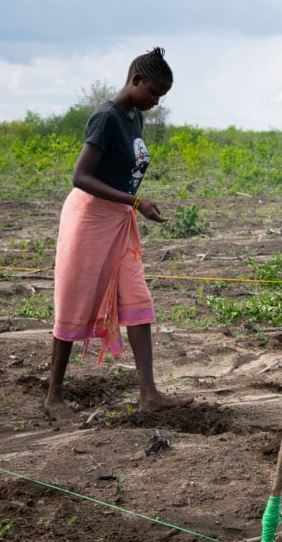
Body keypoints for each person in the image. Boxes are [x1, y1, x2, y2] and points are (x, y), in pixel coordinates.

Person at [45, 47, 193, 422]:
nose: (155, 102)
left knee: (138, 300)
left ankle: (149, 394)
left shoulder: (133, 117)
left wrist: (132, 205)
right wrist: (137, 200)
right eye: (153, 94)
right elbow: (81, 177)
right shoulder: (106, 117)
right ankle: (54, 396)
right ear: (135, 80)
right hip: (89, 220)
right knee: (75, 301)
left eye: (161, 97)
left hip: (118, 220)